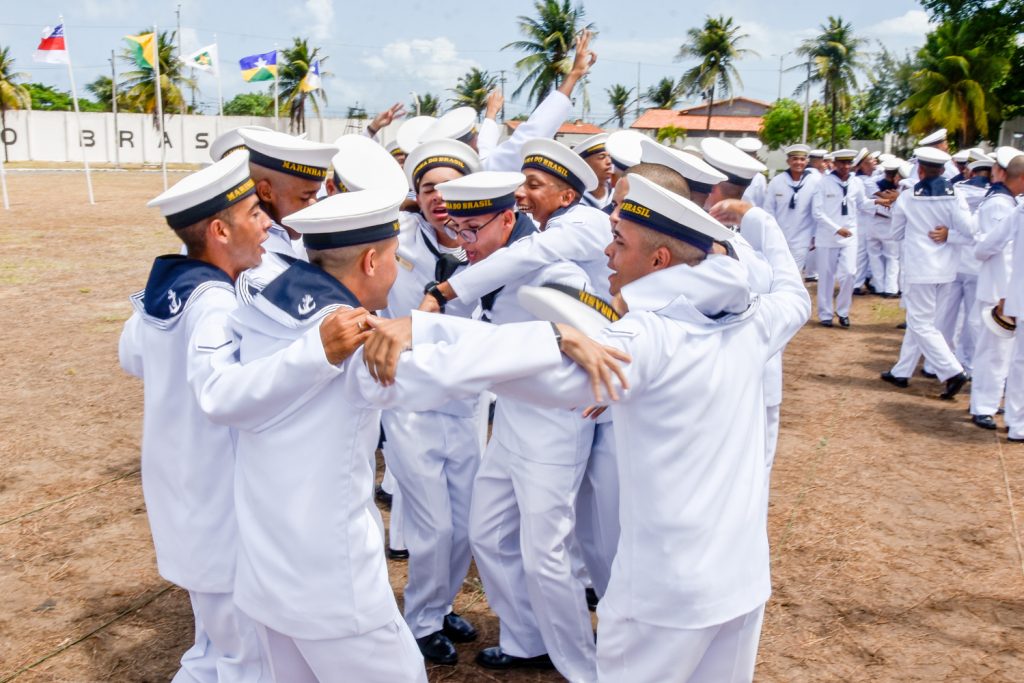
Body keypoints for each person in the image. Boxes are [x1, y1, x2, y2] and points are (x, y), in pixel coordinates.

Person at [195, 186, 623, 683]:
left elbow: (221, 394)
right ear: (371, 262)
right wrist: (552, 335)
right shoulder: (352, 343)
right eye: (395, 257)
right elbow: (451, 368)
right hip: (334, 587)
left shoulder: (265, 310)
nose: (399, 270)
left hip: (264, 574)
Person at [469, 173, 811, 682]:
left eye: (620, 241)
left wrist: (420, 335)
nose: (607, 252)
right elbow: (793, 293)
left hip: (663, 597)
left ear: (658, 261)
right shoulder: (752, 320)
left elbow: (537, 377)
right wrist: (752, 224)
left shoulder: (646, 336)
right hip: (740, 584)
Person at [429, 171, 599, 680]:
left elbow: (586, 356)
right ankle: (528, 639)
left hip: (554, 427)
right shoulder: (484, 263)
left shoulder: (557, 274)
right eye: (456, 230)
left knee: (546, 553)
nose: (464, 242)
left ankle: (580, 665)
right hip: (510, 421)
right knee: (488, 533)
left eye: (472, 229)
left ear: (508, 219)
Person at [118, 152, 272, 682]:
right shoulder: (216, 304)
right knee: (246, 660)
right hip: (219, 502)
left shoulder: (170, 288)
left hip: (182, 497)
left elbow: (130, 356)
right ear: (219, 231)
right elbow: (227, 395)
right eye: (254, 214)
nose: (266, 224)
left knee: (210, 649)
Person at [380, 138, 486, 665]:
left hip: (465, 399)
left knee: (464, 523)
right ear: (415, 196)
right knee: (432, 525)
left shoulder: (489, 244)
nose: (439, 197)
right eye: (427, 188)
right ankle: (421, 622)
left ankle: (441, 608)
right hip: (410, 400)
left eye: (449, 187)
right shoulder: (393, 239)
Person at [881, 147, 974, 399]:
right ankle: (902, 371)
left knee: (920, 323)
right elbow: (970, 232)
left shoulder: (908, 197)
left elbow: (895, 234)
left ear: (920, 170)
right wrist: (949, 235)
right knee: (924, 323)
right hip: (946, 270)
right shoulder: (956, 194)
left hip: (920, 268)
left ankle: (953, 371)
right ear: (943, 170)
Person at [970, 150, 1024, 429]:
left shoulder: (1012, 203)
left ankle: (992, 403)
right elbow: (992, 250)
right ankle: (983, 406)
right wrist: (1004, 294)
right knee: (993, 352)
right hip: (1000, 291)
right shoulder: (1001, 204)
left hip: (1010, 292)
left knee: (1006, 355)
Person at [810, 149, 874, 327]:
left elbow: (862, 203)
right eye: (841, 163)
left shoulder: (856, 182)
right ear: (835, 164)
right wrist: (836, 229)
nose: (845, 166)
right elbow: (817, 212)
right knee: (826, 276)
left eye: (848, 163)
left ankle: (843, 311)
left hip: (849, 235)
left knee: (849, 273)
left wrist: (877, 202)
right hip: (827, 236)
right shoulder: (823, 183)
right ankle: (825, 313)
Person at [763, 144, 821, 271]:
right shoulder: (777, 181)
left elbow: (818, 211)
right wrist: (770, 233)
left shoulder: (815, 181)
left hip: (803, 238)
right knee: (776, 270)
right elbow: (769, 210)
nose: (798, 162)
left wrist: (815, 235)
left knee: (794, 273)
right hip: (779, 236)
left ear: (807, 161)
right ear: (788, 161)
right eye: (794, 159)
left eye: (802, 159)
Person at [864, 158, 903, 298]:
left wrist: (880, 195)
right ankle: (890, 288)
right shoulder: (900, 188)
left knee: (875, 256)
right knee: (892, 257)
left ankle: (879, 286)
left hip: (874, 222)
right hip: (888, 224)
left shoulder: (874, 184)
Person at [574, 133, 615, 209]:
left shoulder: (616, 194)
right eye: (602, 157)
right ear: (585, 164)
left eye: (609, 157)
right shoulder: (575, 200)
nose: (609, 162)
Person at [735, 137, 767, 207]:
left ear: (755, 156)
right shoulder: (730, 173)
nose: (749, 158)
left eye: (752, 154)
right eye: (746, 154)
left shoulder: (759, 178)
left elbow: (761, 204)